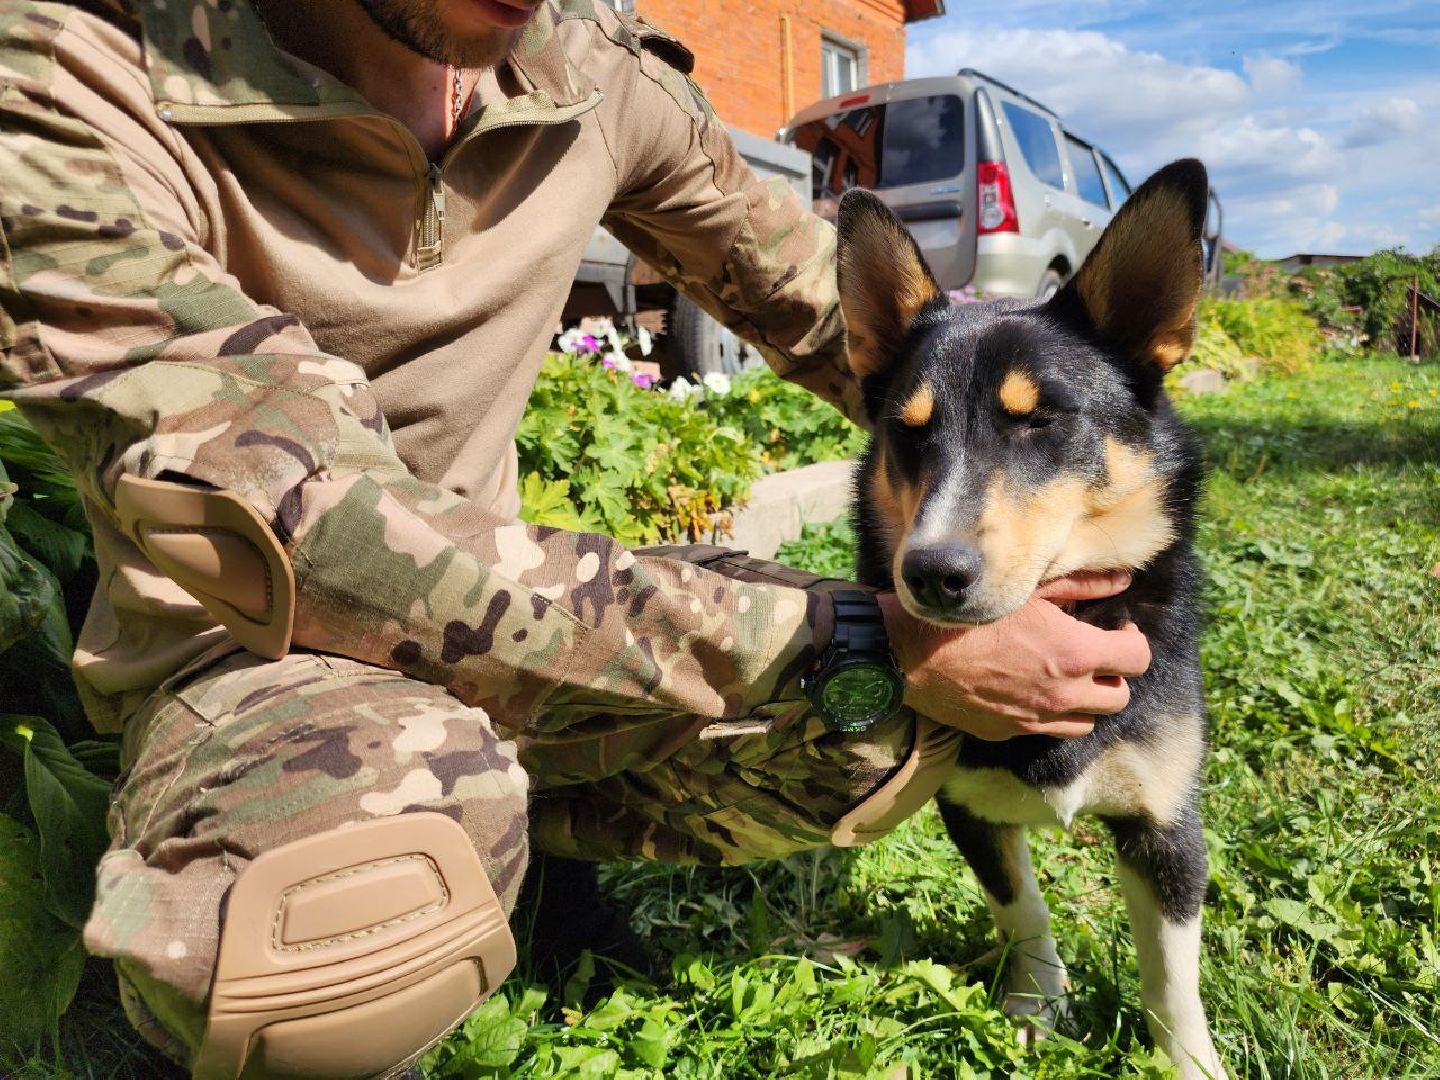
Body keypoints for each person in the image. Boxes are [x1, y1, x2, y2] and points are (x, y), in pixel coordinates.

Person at [0, 0, 1151, 1074]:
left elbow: (849, 321)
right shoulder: (70, 80)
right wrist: (857, 637)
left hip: (521, 628)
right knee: (327, 921)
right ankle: (328, 855)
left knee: (886, 718)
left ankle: (534, 845)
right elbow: (302, 520)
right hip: (259, 654)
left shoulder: (583, 68)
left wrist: (1062, 458)